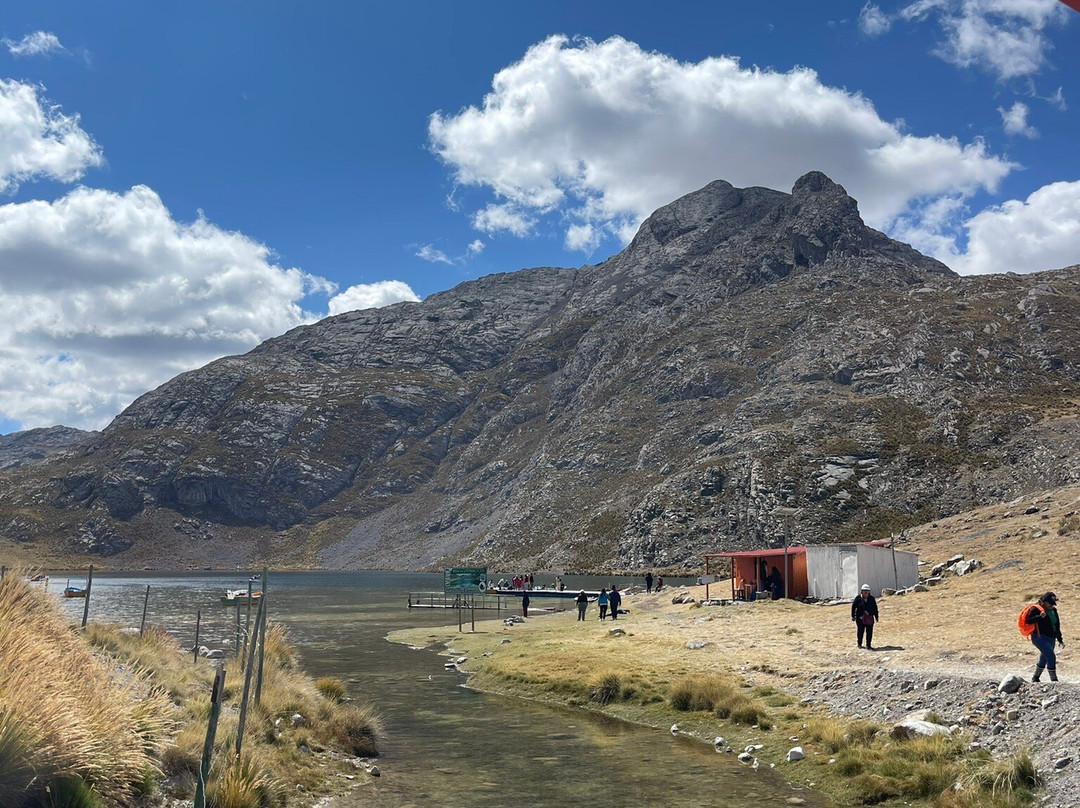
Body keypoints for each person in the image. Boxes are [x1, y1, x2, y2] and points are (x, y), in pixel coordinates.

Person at [1024, 591, 1064, 682]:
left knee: (1045, 657)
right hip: (1039, 637)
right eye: (1050, 603)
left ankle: (1035, 677)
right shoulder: (1035, 609)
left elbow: (1056, 625)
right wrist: (1039, 617)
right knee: (1051, 656)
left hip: (1051, 637)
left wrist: (1059, 639)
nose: (1051, 605)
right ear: (1044, 601)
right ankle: (1054, 680)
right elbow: (1028, 620)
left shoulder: (1053, 610)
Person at [851, 584, 879, 649]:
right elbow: (853, 607)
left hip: (869, 618)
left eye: (867, 591)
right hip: (860, 618)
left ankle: (868, 645)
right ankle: (859, 644)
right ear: (861, 591)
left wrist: (876, 616)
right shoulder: (858, 598)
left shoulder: (871, 599)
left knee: (869, 632)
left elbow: (875, 608)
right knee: (860, 631)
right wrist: (853, 616)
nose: (866, 592)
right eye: (864, 591)